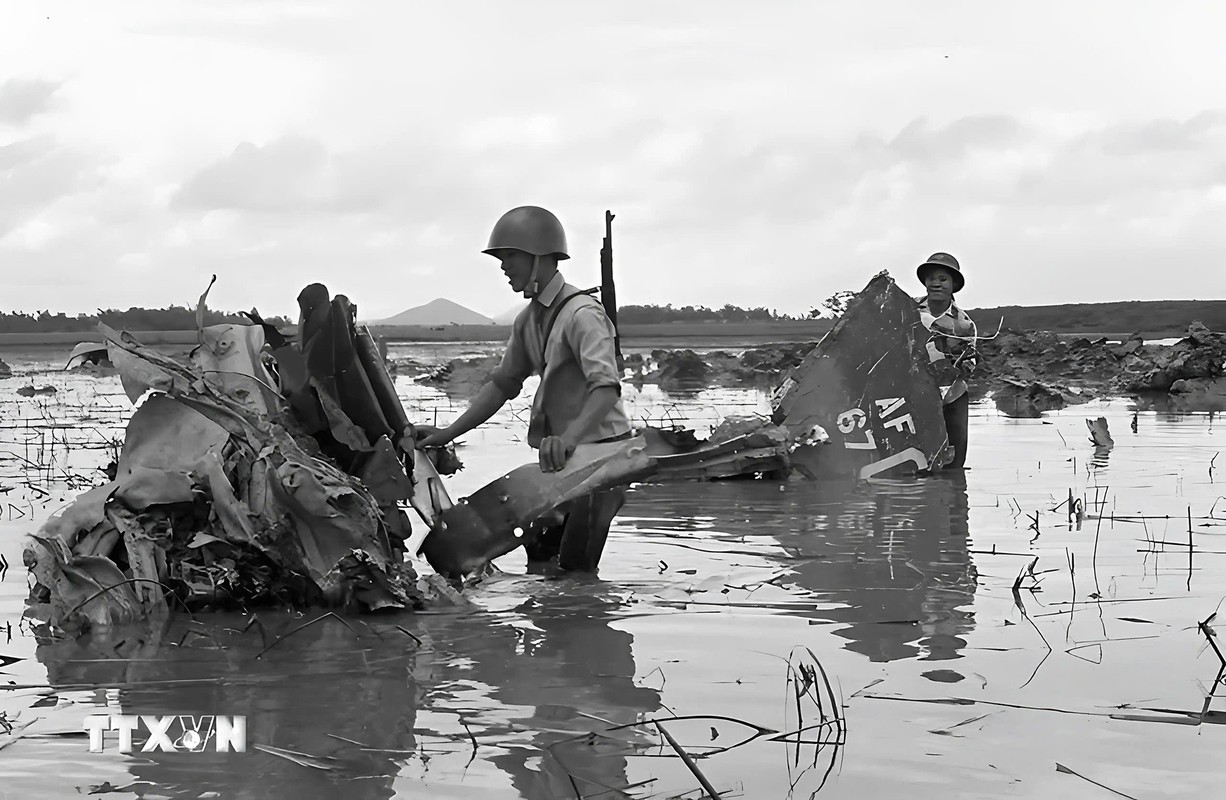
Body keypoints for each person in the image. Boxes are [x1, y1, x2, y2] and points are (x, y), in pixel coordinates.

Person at [414, 206, 632, 572]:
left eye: (510, 256)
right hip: (559, 461)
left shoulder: (583, 315)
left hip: (601, 460)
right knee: (542, 558)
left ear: (540, 257)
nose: (503, 267)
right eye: (501, 258)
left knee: (575, 569)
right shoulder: (528, 321)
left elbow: (606, 389)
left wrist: (569, 439)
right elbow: (502, 385)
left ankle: (585, 620)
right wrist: (448, 432)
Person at [916, 252, 978, 469]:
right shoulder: (909, 310)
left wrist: (961, 363)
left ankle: (955, 498)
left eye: (942, 279)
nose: (936, 283)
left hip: (952, 396)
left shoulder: (964, 324)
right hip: (913, 393)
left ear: (954, 284)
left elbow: (970, 362)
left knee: (955, 462)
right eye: (931, 278)